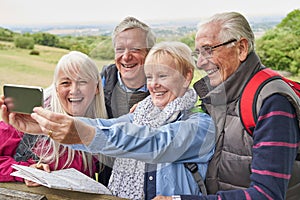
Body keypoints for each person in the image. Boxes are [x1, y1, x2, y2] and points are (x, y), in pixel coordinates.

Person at [0, 41, 216, 199]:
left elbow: (154, 143)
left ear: (187, 76)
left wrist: (81, 132)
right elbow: (111, 127)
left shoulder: (199, 125)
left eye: (163, 76)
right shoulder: (140, 114)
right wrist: (45, 127)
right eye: (149, 77)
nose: (154, 85)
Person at [154, 12, 300, 200]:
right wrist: (152, 108)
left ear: (241, 48)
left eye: (208, 50)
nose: (200, 62)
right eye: (198, 53)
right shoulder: (217, 94)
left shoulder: (272, 102)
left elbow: (267, 195)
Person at [0, 51, 109, 186]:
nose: (74, 90)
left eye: (82, 82)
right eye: (65, 83)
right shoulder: (31, 117)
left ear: (97, 88)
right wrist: (25, 171)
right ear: (56, 88)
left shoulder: (102, 127)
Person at [101, 16, 156, 118]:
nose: (126, 57)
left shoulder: (166, 87)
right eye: (120, 49)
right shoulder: (101, 82)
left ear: (150, 53)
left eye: (135, 49)